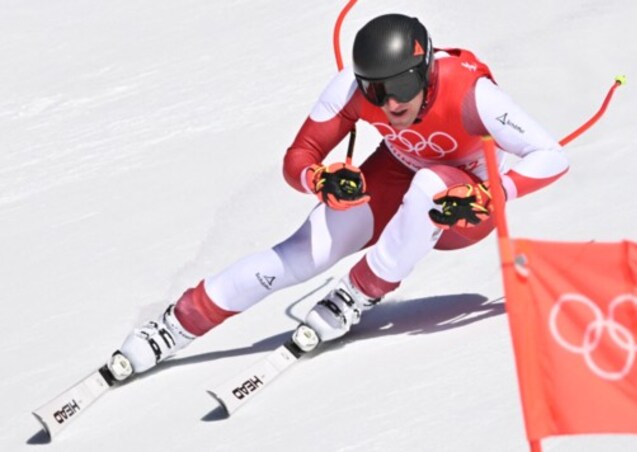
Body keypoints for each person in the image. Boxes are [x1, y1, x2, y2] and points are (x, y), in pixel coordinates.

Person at [105, 13, 569, 381]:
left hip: (464, 207)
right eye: (376, 89)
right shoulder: (350, 88)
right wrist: (320, 180)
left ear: (427, 70)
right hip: (395, 177)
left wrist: (496, 191)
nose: (390, 104)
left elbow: (551, 154)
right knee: (301, 255)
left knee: (429, 187)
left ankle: (359, 292)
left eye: (403, 86)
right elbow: (298, 157)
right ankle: (178, 324)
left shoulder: (473, 91)